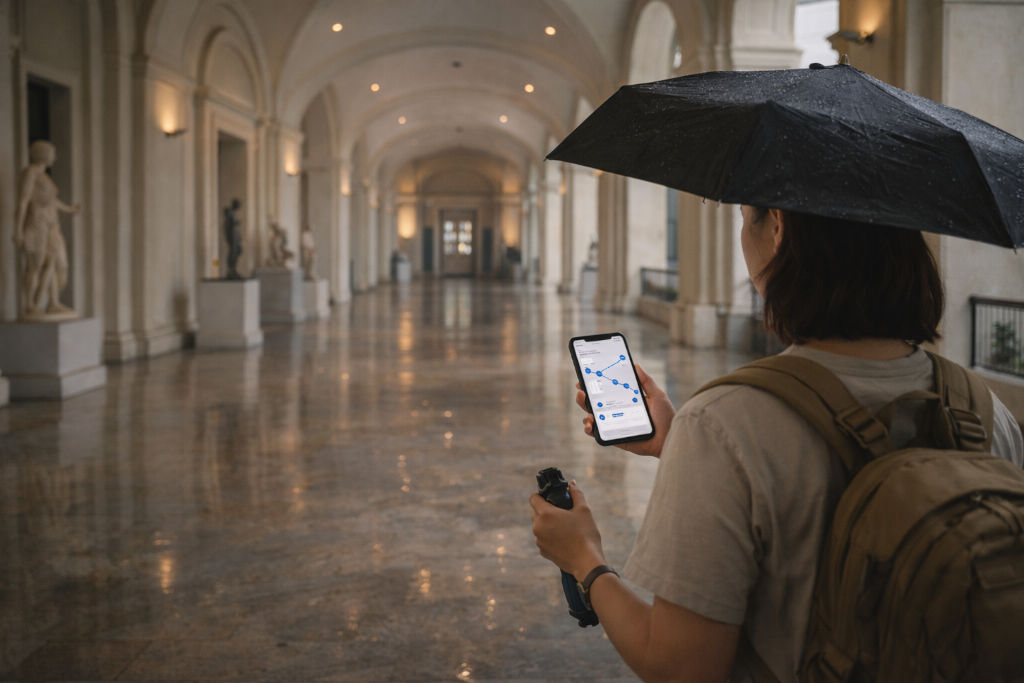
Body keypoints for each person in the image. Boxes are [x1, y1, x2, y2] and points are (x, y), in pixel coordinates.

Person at [530, 206, 1024, 682]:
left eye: (745, 219)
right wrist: (681, 444)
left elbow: (681, 667)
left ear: (778, 230)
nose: (742, 236)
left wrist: (584, 559)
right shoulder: (988, 413)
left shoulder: (726, 424)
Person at [13, 140, 79, 318]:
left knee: (55, 264)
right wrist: (18, 229)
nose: (55, 156)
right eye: (52, 152)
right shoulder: (31, 174)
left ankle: (52, 302)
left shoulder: (44, 177)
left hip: (51, 226)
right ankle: (29, 304)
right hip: (37, 225)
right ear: (42, 153)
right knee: (35, 265)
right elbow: (23, 201)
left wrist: (69, 209)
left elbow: (52, 202)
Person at [223, 198, 243, 280]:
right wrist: (236, 223)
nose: (239, 206)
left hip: (236, 237)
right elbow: (227, 226)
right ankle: (231, 270)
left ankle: (233, 270)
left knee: (237, 252)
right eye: (238, 204)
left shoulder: (232, 213)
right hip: (232, 237)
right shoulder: (230, 214)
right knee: (233, 253)